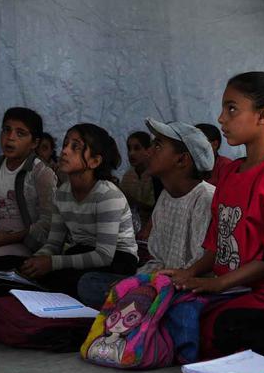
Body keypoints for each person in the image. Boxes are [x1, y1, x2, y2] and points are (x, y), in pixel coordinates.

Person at [162, 69, 264, 360]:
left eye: (232, 109)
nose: (221, 119)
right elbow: (217, 244)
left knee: (211, 324)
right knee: (163, 300)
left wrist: (215, 284)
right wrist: (188, 274)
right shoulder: (229, 172)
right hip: (230, 289)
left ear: (263, 117)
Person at [76, 120, 216, 307]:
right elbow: (158, 260)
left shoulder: (205, 197)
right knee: (89, 282)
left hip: (185, 290)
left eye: (157, 145)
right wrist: (136, 281)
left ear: (181, 160)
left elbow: (196, 268)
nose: (149, 152)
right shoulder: (166, 196)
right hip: (159, 283)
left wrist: (143, 285)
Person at [0, 124, 138, 296]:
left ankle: (28, 289)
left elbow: (104, 255)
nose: (65, 151)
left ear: (95, 161)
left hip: (117, 261)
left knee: (76, 280)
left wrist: (52, 264)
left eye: (75, 147)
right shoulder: (62, 193)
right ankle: (33, 286)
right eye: (65, 144)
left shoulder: (108, 195)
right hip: (81, 253)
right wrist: (36, 261)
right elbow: (53, 244)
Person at [0, 108, 57, 291]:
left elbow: (48, 222)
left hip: (27, 242)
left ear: (34, 143)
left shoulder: (41, 173)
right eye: (6, 130)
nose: (10, 137)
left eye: (20, 133)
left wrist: (8, 238)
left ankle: (23, 289)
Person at [119, 131, 156, 235]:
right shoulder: (128, 176)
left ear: (148, 150)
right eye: (129, 149)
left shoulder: (155, 175)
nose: (131, 153)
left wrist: (132, 201)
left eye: (137, 148)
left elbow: (156, 209)